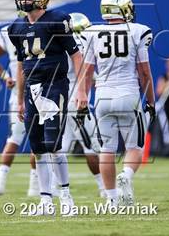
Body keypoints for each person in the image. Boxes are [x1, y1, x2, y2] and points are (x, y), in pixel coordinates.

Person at [8, 0, 88, 216]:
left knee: (54, 145)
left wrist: (82, 89)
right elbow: (21, 65)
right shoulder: (17, 27)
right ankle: (45, 201)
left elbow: (76, 56)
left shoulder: (56, 20)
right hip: (31, 88)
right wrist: (20, 99)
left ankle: (66, 197)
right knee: (38, 148)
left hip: (55, 85)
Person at [82, 0, 156, 207]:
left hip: (102, 96)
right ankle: (127, 174)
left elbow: (86, 73)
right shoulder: (138, 31)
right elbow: (144, 72)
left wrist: (84, 98)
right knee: (135, 147)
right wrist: (150, 101)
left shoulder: (92, 32)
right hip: (128, 94)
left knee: (106, 149)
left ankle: (112, 199)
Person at [0, 22, 40, 197]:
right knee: (37, 140)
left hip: (20, 92)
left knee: (14, 138)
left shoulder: (9, 30)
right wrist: (5, 76)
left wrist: (6, 76)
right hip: (38, 88)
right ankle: (34, 185)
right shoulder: (43, 27)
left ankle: (0, 183)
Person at [61, 12, 105, 198]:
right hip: (77, 100)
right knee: (93, 147)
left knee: (60, 148)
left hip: (63, 99)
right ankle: (104, 188)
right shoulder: (80, 45)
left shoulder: (61, 44)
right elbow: (86, 73)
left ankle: (56, 188)